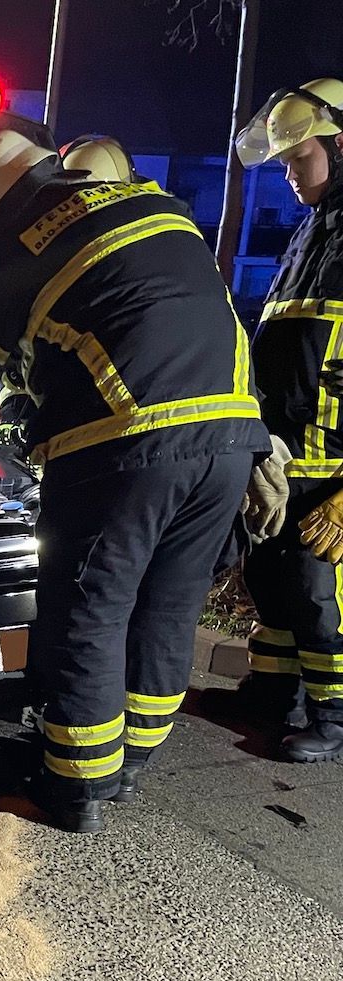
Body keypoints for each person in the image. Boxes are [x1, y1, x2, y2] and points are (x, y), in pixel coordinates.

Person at [0, 128, 271, 833]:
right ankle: (127, 765)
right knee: (168, 607)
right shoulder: (154, 205)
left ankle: (72, 790)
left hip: (127, 445)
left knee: (88, 610)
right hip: (231, 440)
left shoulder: (16, 250)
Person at [234, 78, 343, 762]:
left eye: (299, 158)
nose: (289, 174)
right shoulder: (313, 234)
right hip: (285, 457)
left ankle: (334, 716)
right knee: (272, 579)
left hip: (334, 471)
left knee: (317, 590)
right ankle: (274, 694)